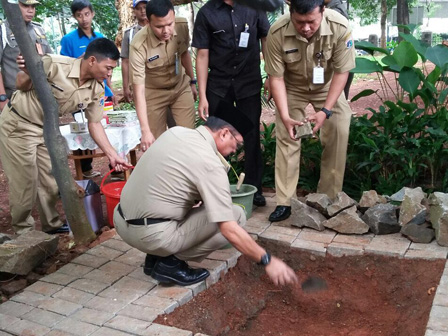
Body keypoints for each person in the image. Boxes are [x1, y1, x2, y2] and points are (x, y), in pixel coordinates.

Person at [114, 100, 298, 287]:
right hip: (151, 235)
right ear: (224, 133)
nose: (235, 151)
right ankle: (169, 263)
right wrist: (266, 260)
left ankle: (154, 258)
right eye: (237, 144)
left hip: (122, 222)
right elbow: (229, 228)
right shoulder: (210, 163)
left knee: (183, 204)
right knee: (236, 215)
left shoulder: (175, 132)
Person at [0, 38, 131, 234]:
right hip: (19, 125)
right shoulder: (54, 64)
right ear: (92, 60)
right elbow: (20, 84)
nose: (110, 73)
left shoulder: (96, 88)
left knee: (50, 180)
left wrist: (112, 155)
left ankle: (50, 225)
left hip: (47, 130)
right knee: (25, 181)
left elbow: (94, 123)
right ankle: (24, 233)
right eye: (108, 68)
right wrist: (30, 73)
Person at [265, 0, 355, 221]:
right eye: (299, 22)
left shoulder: (340, 28)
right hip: (291, 86)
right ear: (290, 13)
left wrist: (325, 110)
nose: (305, 28)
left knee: (339, 128)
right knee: (287, 137)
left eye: (311, 22)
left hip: (327, 85)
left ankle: (328, 197)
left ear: (323, 12)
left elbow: (342, 73)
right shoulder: (277, 31)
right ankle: (285, 202)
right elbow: (275, 78)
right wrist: (285, 116)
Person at [192, 0, 270, 207]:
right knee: (214, 137)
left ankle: (255, 189)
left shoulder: (256, 7)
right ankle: (215, 190)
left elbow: (266, 40)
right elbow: (202, 55)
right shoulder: (206, 13)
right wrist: (202, 95)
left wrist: (270, 74)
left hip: (248, 83)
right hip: (218, 86)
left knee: (251, 135)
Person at [130, 0, 197, 150]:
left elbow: (184, 53)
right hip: (153, 94)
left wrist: (192, 82)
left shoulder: (181, 26)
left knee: (189, 138)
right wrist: (145, 130)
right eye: (159, 26)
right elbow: (139, 90)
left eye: (169, 24)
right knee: (155, 144)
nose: (166, 30)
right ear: (148, 22)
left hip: (180, 87)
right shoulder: (138, 45)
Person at [60, 0, 114, 178]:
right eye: (79, 15)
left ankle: (113, 164)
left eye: (86, 14)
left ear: (93, 14)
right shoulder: (68, 40)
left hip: (100, 90)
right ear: (75, 17)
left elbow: (108, 70)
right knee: (82, 129)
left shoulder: (100, 38)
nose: (83, 19)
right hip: (79, 92)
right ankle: (85, 168)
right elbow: (66, 67)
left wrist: (110, 91)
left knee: (104, 125)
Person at [0, 0, 52, 111]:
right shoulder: (3, 30)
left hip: (40, 96)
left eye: (33, 6)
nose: (30, 10)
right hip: (15, 97)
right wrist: (2, 99)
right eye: (25, 6)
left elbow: (50, 60)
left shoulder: (39, 30)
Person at [121, 0, 148, 103]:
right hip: (139, 82)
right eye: (138, 8)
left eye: (145, 7)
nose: (142, 11)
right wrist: (126, 87)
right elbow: (125, 61)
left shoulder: (159, 29)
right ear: (134, 11)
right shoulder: (130, 34)